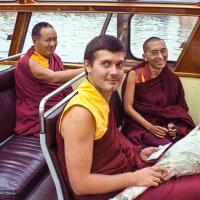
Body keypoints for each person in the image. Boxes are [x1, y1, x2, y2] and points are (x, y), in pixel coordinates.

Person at [56, 34, 200, 200]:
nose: (114, 72)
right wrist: (136, 178)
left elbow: (114, 143)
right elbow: (80, 185)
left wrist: (139, 153)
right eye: (106, 64)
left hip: (124, 174)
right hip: (109, 193)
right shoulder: (80, 114)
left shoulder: (100, 99)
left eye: (119, 64)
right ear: (87, 65)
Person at [122, 37, 195, 147]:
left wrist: (172, 125)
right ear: (145, 57)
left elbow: (178, 108)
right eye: (154, 53)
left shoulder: (172, 78)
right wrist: (150, 127)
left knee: (188, 141)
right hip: (140, 124)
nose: (160, 56)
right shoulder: (135, 75)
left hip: (164, 124)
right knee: (166, 146)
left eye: (163, 51)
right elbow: (128, 107)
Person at [15, 22, 83, 136]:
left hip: (56, 106)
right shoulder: (29, 62)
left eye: (55, 39)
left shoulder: (54, 57)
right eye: (48, 40)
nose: (53, 44)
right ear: (35, 41)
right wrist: (87, 69)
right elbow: (54, 77)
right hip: (37, 116)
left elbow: (60, 79)